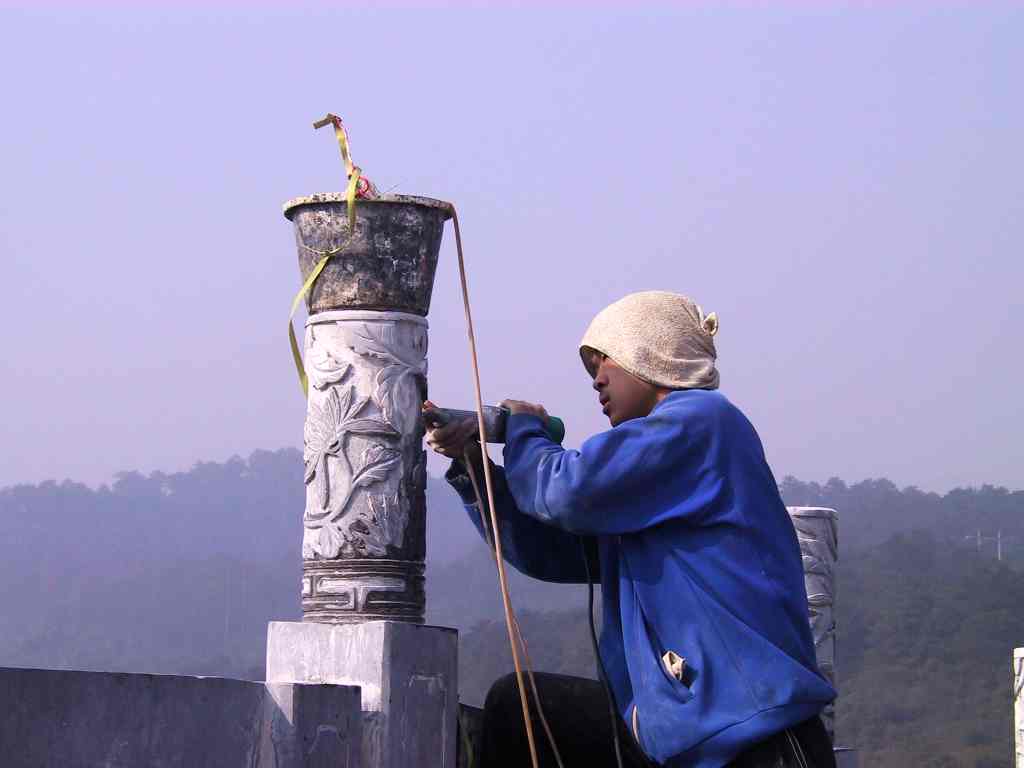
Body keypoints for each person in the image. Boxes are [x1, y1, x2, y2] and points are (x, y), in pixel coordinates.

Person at [426, 291, 836, 768]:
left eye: (606, 360)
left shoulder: (702, 422)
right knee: (520, 710)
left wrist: (522, 426)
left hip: (752, 739)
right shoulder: (651, 491)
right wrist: (473, 467)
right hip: (682, 736)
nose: (597, 379)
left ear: (648, 354)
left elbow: (566, 492)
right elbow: (547, 551)